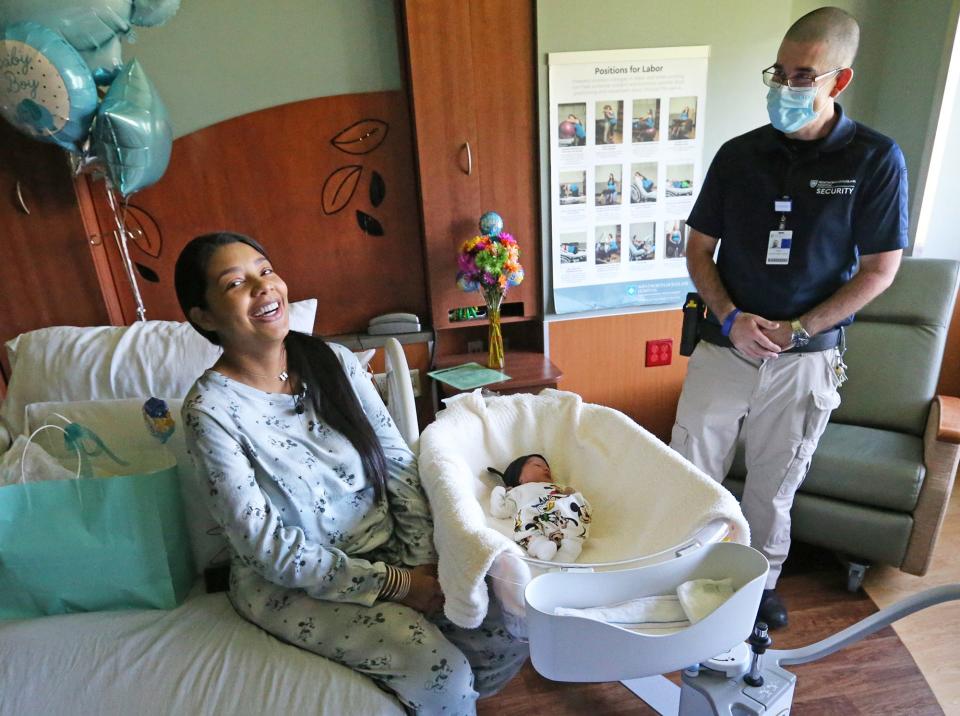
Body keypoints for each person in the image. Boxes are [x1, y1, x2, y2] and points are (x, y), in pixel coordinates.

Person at [175, 232, 527, 714]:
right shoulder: (210, 411)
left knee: (510, 616)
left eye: (266, 269)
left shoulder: (332, 362)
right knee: (439, 674)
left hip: (394, 548)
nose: (263, 286)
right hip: (294, 582)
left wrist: (424, 563)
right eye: (236, 282)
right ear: (204, 316)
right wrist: (397, 586)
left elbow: (398, 465)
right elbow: (264, 547)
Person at [669, 7, 907, 630]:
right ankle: (680, 574)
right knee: (691, 468)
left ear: (839, 80)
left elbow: (880, 270)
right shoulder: (739, 155)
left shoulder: (875, 161)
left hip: (806, 355)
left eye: (803, 76)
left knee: (774, 486)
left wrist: (798, 330)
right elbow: (697, 248)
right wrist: (729, 317)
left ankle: (756, 590)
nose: (785, 87)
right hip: (727, 343)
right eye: (779, 71)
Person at [487, 455, 591, 563]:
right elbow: (499, 510)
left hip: (563, 515)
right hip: (536, 519)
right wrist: (500, 490)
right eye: (537, 465)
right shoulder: (517, 492)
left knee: (577, 505)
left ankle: (570, 547)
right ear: (520, 478)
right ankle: (540, 546)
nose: (546, 469)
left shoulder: (557, 487)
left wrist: (571, 495)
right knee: (521, 526)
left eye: (547, 467)